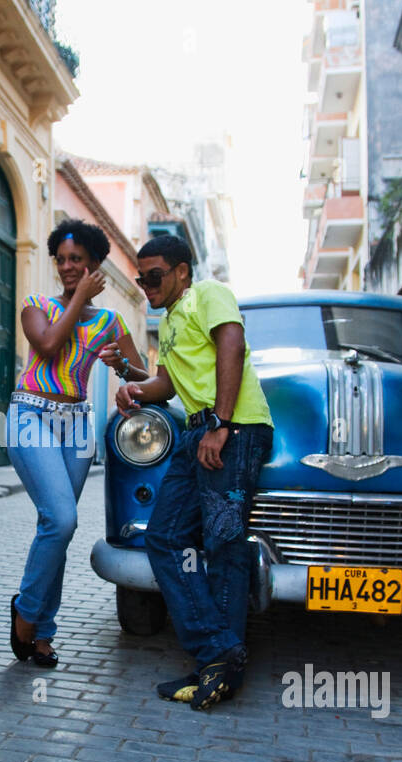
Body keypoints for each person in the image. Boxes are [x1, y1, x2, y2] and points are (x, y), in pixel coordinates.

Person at [114, 235, 274, 711]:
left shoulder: (209, 294)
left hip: (235, 429)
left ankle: (219, 665)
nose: (146, 286)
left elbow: (233, 343)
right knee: (163, 537)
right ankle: (218, 652)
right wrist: (133, 388)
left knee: (224, 544)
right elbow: (167, 382)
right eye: (141, 279)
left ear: (183, 271)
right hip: (197, 433)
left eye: (155, 276)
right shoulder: (169, 322)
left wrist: (222, 424)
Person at [8, 219, 147, 667]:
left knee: (56, 530)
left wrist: (121, 366)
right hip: (30, 414)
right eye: (62, 260)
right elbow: (48, 345)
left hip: (77, 425)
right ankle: (27, 614)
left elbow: (146, 376)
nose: (67, 267)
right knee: (62, 519)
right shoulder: (37, 305)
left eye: (77, 261)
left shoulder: (111, 321)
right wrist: (80, 300)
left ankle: (44, 633)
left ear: (94, 266)